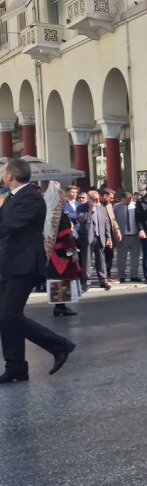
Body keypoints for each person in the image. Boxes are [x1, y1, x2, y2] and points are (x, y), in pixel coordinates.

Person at [0, 158, 76, 384]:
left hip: (24, 264)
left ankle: (60, 345)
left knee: (9, 316)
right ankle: (16, 368)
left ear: (11, 176)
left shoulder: (30, 197)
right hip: (9, 263)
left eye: (4, 172)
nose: (2, 175)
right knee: (5, 318)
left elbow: (11, 226)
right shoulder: (13, 197)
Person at [43, 181, 80, 317]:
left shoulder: (47, 214)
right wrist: (73, 252)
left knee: (56, 279)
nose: (65, 199)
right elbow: (66, 236)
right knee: (62, 278)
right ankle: (61, 306)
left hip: (51, 252)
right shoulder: (61, 216)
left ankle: (59, 306)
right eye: (63, 196)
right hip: (62, 252)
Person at [76, 190, 113, 291]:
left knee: (101, 259)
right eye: (95, 199)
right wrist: (91, 210)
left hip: (100, 237)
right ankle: (87, 281)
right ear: (89, 199)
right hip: (87, 238)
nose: (97, 201)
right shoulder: (81, 208)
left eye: (98, 199)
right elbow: (81, 219)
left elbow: (106, 224)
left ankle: (103, 280)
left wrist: (108, 238)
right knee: (87, 260)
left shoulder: (102, 208)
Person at [113, 192, 142, 283]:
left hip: (135, 235)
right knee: (121, 257)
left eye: (128, 201)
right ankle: (122, 276)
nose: (126, 202)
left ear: (131, 198)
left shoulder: (136, 206)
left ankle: (134, 275)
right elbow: (114, 220)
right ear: (121, 199)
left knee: (135, 257)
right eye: (124, 201)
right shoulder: (117, 207)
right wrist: (116, 232)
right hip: (122, 236)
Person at [99, 189, 122, 283]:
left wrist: (117, 230)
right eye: (110, 198)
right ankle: (102, 277)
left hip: (110, 234)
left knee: (110, 255)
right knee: (100, 256)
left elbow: (113, 219)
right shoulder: (97, 205)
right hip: (100, 234)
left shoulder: (108, 205)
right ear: (105, 196)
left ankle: (107, 276)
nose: (112, 200)